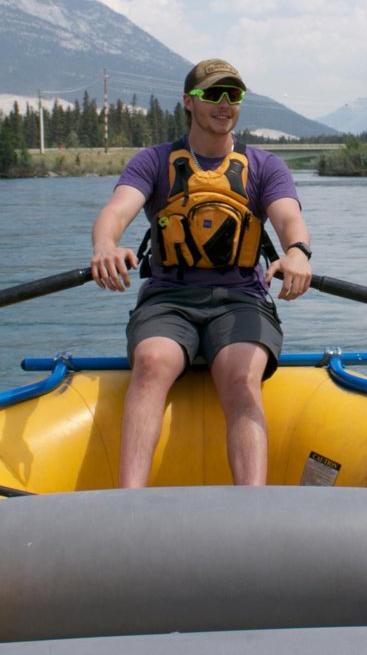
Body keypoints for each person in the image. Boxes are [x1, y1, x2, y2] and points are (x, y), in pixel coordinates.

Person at [89, 58, 312, 487]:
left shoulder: (265, 166)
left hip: (242, 299)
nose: (225, 104)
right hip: (169, 299)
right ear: (190, 102)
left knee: (239, 375)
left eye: (234, 95)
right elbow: (115, 212)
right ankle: (127, 500)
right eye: (213, 94)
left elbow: (288, 219)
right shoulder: (153, 162)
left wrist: (298, 253)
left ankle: (252, 503)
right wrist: (105, 246)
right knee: (153, 362)